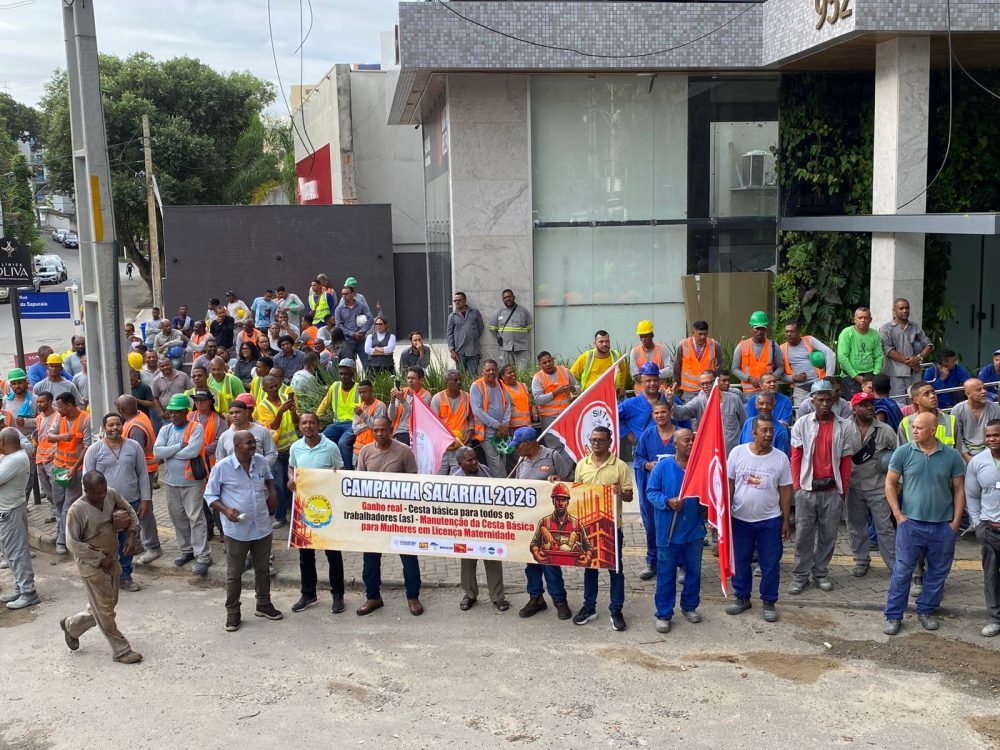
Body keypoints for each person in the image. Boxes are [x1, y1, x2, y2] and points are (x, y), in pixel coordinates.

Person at [883, 412, 966, 635]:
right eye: (914, 427)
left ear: (933, 430)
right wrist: (898, 515)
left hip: (942, 525)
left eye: (920, 428)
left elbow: (959, 489)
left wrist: (956, 522)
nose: (914, 431)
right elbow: (890, 484)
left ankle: (926, 610)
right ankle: (893, 615)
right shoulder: (904, 452)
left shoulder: (952, 456)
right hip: (911, 524)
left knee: (938, 572)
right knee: (902, 571)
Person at [207, 429, 284, 633]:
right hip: (237, 530)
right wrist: (226, 510)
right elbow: (210, 495)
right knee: (234, 574)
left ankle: (263, 604)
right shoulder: (222, 467)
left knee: (263, 569)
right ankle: (233, 612)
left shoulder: (260, 461)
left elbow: (268, 478)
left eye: (253, 443)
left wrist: (273, 492)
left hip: (261, 526)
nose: (253, 446)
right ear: (236, 446)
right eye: (248, 443)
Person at [61, 471, 142, 663]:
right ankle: (121, 650)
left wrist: (132, 534)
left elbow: (129, 511)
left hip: (112, 559)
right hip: (92, 565)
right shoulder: (76, 510)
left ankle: (72, 626)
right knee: (105, 609)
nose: (101, 496)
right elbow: (72, 543)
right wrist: (98, 558)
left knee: (106, 604)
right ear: (86, 490)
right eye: (96, 493)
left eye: (103, 491)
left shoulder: (111, 494)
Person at [788, 380, 857, 594]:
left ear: (834, 400)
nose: (825, 404)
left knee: (828, 535)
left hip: (831, 489)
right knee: (803, 535)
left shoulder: (844, 426)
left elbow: (846, 460)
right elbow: (796, 456)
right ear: (813, 401)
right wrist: (797, 486)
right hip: (807, 489)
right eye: (820, 400)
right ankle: (800, 575)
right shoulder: (802, 424)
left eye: (829, 399)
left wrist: (843, 489)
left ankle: (820, 572)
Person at [725, 414, 793, 623]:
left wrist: (785, 519)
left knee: (770, 564)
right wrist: (725, 514)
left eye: (771, 430)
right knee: (741, 561)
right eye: (763, 430)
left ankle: (769, 601)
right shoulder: (738, 453)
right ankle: (742, 597)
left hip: (770, 521)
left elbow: (785, 490)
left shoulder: (780, 458)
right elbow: (729, 483)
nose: (768, 434)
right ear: (753, 432)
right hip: (740, 520)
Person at [356, 417, 423, 616]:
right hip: (374, 515)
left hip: (400, 516)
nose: (379, 434)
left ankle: (413, 597)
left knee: (409, 558)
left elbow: (414, 482)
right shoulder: (365, 452)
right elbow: (359, 482)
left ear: (391, 430)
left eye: (383, 430)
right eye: (375, 430)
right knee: (370, 559)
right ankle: (373, 597)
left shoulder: (404, 451)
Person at [573, 425, 633, 631]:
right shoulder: (582, 465)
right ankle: (589, 607)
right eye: (593, 440)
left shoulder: (620, 466)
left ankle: (616, 610)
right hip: (587, 527)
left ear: (610, 442)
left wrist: (619, 492)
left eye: (600, 440)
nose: (596, 444)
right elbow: (576, 493)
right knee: (590, 569)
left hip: (612, 526)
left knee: (615, 570)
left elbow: (629, 496)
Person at [83, 412, 151, 593]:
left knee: (128, 541)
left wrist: (145, 499)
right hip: (102, 505)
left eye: (117, 425)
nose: (114, 428)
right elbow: (87, 478)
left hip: (130, 501)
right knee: (104, 541)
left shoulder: (134, 447)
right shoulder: (94, 450)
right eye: (110, 425)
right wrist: (89, 506)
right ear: (104, 427)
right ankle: (106, 577)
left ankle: (126, 576)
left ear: (123, 426)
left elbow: (143, 474)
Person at [511, 426, 574, 621]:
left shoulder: (553, 456)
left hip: (550, 522)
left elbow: (570, 480)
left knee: (550, 563)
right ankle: (536, 598)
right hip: (527, 522)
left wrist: (558, 480)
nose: (515, 449)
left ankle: (560, 601)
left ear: (528, 443)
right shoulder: (520, 461)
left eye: (518, 445)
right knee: (531, 562)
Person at [288, 412, 346, 614]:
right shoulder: (296, 447)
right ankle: (308, 594)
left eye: (311, 422)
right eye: (304, 423)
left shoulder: (330, 447)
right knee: (305, 555)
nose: (307, 426)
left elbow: (340, 470)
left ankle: (338, 595)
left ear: (318, 425)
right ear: (300, 426)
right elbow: (291, 468)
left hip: (328, 507)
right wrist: (291, 479)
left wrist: (334, 473)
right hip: (304, 507)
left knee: (333, 554)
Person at [646, 429, 703, 632]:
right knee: (666, 574)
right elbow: (651, 493)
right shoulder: (661, 468)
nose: (691, 443)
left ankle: (689, 606)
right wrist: (667, 502)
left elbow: (707, 495)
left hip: (693, 532)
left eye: (693, 440)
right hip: (667, 533)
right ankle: (663, 612)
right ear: (675, 444)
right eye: (687, 440)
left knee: (694, 573)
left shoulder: (698, 468)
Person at [153, 394, 212, 576]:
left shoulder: (196, 428)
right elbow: (157, 452)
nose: (173, 415)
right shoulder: (166, 430)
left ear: (187, 411)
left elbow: (193, 451)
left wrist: (169, 453)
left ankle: (203, 556)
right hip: (171, 482)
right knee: (178, 517)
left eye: (177, 412)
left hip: (192, 482)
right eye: (171, 412)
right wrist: (179, 446)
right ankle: (187, 550)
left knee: (196, 518)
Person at [845, 392, 898, 577]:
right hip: (852, 487)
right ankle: (861, 560)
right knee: (856, 526)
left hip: (878, 487)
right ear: (854, 408)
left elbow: (897, 458)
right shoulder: (844, 428)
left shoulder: (886, 430)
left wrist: (897, 483)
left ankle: (893, 564)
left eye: (871, 404)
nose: (869, 407)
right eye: (864, 404)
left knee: (884, 527)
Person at [450, 446, 510, 612]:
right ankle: (470, 595)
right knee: (468, 563)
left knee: (493, 560)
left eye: (475, 458)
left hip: (487, 526)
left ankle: (498, 597)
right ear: (460, 463)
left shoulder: (486, 470)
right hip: (466, 528)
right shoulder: (454, 480)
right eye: (469, 460)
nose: (475, 462)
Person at [634, 401, 686, 580]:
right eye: (656, 413)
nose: (660, 416)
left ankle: (682, 565)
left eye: (663, 412)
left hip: (677, 488)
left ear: (670, 412)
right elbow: (638, 458)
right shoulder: (648, 435)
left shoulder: (681, 434)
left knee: (679, 525)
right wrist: (648, 465)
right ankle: (652, 561)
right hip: (654, 489)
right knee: (652, 526)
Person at [965, 420, 1000, 637]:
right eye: (988, 436)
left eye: (996, 435)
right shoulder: (977, 462)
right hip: (990, 529)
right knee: (991, 576)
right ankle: (996, 619)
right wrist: (978, 523)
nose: (991, 439)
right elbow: (972, 495)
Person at [49, 392, 92, 555]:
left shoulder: (85, 419)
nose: (57, 409)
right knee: (58, 503)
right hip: (58, 468)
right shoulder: (59, 417)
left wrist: (74, 469)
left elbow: (87, 447)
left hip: (75, 471)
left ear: (69, 405)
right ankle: (63, 534)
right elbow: (50, 436)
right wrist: (62, 436)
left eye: (59, 406)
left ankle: (62, 541)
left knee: (68, 507)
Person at [0, 428, 39, 609]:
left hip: (11, 512)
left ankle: (28, 592)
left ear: (3, 442)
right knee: (9, 553)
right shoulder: (9, 457)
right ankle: (20, 587)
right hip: (7, 511)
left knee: (17, 553)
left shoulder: (15, 459)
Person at [673, 370, 746, 456]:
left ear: (717, 381)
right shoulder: (699, 402)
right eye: (702, 384)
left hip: (733, 455)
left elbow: (744, 425)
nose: (705, 387)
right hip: (710, 456)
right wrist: (671, 401)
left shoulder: (734, 399)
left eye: (708, 383)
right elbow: (680, 414)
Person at [878, 298, 932, 399]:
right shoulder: (886, 328)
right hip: (895, 374)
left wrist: (918, 358)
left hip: (914, 374)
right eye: (901, 308)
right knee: (899, 404)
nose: (905, 310)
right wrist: (912, 362)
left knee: (915, 402)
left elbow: (928, 345)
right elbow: (888, 351)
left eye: (907, 308)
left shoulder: (915, 327)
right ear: (894, 310)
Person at [470, 360, 512, 478]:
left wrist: (503, 425)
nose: (491, 372)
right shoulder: (476, 386)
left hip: (502, 432)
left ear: (497, 370)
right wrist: (498, 425)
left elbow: (507, 404)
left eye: (493, 369)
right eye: (488, 370)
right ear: (482, 371)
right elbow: (477, 410)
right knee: (496, 464)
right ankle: (502, 488)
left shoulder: (500, 384)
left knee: (503, 460)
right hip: (486, 434)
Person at [779, 320, 836, 405]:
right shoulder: (782, 348)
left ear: (799, 333)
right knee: (801, 415)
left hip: (818, 384)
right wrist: (794, 378)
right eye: (786, 332)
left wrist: (828, 378)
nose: (788, 334)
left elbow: (830, 354)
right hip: (800, 389)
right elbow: (781, 375)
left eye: (791, 331)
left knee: (822, 412)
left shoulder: (809, 340)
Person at [318, 359, 361, 468]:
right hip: (337, 423)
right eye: (341, 374)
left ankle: (348, 471)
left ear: (352, 373)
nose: (343, 376)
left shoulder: (359, 388)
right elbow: (324, 403)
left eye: (346, 374)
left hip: (353, 424)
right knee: (321, 439)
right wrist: (316, 418)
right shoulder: (335, 386)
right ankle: (325, 467)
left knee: (343, 443)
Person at [531, 351, 577, 450]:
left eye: (549, 361)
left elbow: (578, 387)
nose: (548, 364)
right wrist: (554, 393)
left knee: (569, 446)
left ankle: (566, 466)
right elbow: (538, 399)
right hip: (549, 418)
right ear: (540, 365)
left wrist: (573, 388)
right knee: (554, 447)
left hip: (567, 415)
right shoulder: (538, 377)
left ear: (553, 360)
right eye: (544, 363)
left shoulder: (565, 371)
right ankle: (558, 465)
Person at [431, 370, 473, 476]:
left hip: (461, 446)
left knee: (458, 478)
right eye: (455, 380)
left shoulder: (467, 397)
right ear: (447, 382)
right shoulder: (438, 398)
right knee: (439, 478)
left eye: (460, 380)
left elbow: (471, 418)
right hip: (443, 447)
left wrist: (470, 430)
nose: (459, 382)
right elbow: (433, 423)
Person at [836, 306, 883, 399]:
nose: (863, 320)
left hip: (870, 376)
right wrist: (856, 376)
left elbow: (879, 356)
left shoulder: (875, 335)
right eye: (860, 318)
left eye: (865, 318)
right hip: (850, 377)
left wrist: (874, 376)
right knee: (854, 405)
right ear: (854, 320)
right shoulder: (846, 333)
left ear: (870, 320)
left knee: (872, 404)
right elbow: (842, 357)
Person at [897, 381, 961, 448]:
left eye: (933, 392)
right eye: (926, 394)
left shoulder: (951, 420)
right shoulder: (906, 423)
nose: (932, 396)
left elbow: (957, 452)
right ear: (916, 400)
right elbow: (901, 454)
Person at [671, 321, 722, 402]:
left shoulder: (714, 345)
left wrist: (717, 382)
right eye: (700, 334)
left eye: (705, 334)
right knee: (689, 412)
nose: (703, 337)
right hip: (689, 391)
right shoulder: (683, 345)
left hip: (708, 388)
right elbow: (676, 365)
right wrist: (676, 382)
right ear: (693, 333)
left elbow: (720, 366)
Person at [732, 311, 781, 395]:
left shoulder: (773, 346)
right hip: (749, 393)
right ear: (751, 328)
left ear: (766, 329)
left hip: (768, 392)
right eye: (757, 328)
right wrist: (748, 378)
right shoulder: (742, 346)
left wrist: (770, 379)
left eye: (762, 328)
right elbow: (734, 369)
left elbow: (781, 367)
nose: (759, 332)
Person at [952, 378, 1000, 461]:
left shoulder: (995, 408)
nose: (984, 392)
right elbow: (957, 437)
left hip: (991, 451)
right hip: (965, 454)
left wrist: (984, 457)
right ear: (968, 393)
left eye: (984, 388)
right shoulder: (957, 410)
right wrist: (966, 455)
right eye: (979, 390)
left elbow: (996, 435)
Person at [571, 330, 626, 396]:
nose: (605, 344)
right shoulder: (586, 357)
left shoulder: (616, 355)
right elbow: (572, 374)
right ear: (595, 344)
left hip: (610, 397)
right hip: (591, 397)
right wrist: (576, 390)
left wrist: (621, 386)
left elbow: (623, 369)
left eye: (607, 341)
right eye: (601, 342)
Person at [490, 289, 533, 369]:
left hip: (521, 347)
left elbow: (529, 326)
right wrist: (499, 337)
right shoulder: (499, 312)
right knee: (507, 371)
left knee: (522, 372)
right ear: (503, 300)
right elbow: (492, 327)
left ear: (513, 297)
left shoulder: (523, 311)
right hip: (505, 347)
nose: (507, 299)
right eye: (505, 297)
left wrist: (520, 336)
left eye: (509, 296)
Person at [739, 392, 791, 457]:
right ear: (756, 405)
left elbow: (783, 458)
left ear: (773, 406)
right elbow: (741, 447)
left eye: (768, 404)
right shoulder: (748, 423)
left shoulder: (781, 430)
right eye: (761, 403)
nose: (764, 407)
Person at [334, 285, 374, 369]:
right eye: (343, 294)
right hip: (348, 342)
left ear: (352, 294)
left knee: (368, 366)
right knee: (349, 367)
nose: (344, 296)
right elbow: (339, 325)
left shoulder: (362, 306)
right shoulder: (339, 309)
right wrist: (352, 334)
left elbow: (370, 319)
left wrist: (362, 331)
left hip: (361, 340)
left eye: (346, 294)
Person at [32, 392, 57, 519]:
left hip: (52, 458)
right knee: (47, 488)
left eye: (42, 401)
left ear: (50, 401)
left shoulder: (58, 417)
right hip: (40, 458)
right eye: (38, 402)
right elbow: (38, 437)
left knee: (55, 487)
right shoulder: (39, 418)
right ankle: (54, 511)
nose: (39, 404)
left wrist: (53, 454)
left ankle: (58, 512)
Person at [500, 364, 533, 439]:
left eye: (513, 371)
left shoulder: (522, 385)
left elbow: (529, 400)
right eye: (509, 373)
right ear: (502, 376)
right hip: (513, 427)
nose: (513, 374)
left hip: (527, 424)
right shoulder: (502, 389)